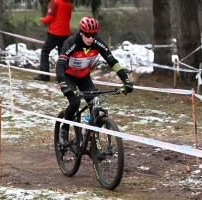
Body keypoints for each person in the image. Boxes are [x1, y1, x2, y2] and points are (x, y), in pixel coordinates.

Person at [56, 16, 133, 146]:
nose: (91, 38)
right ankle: (64, 129)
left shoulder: (98, 43)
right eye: (87, 35)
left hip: (84, 77)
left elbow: (112, 62)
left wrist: (126, 79)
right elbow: (60, 64)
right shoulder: (71, 43)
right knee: (74, 103)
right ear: (81, 32)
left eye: (93, 35)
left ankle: (89, 134)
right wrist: (63, 83)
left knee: (94, 103)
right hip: (68, 77)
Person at [34, 0, 72, 82]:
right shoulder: (68, 3)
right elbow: (69, 17)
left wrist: (43, 20)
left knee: (45, 51)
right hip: (65, 32)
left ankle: (44, 75)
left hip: (56, 32)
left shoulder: (54, 2)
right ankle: (62, 76)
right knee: (62, 55)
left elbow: (50, 17)